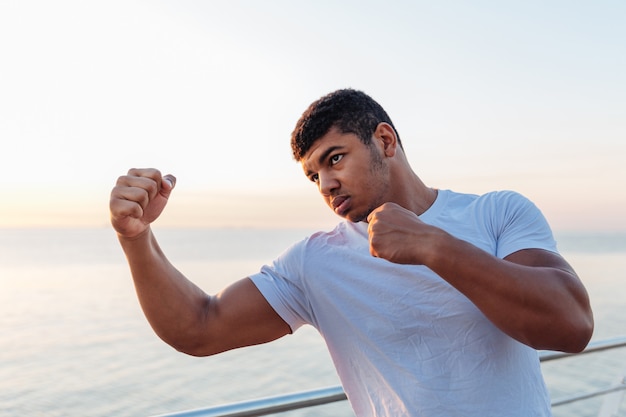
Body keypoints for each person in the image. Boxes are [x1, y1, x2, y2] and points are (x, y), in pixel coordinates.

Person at [110, 89, 594, 417]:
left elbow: (571, 325)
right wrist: (136, 238)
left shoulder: (496, 214)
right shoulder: (315, 263)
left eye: (335, 158)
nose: (326, 183)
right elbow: (198, 327)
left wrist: (433, 246)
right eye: (313, 175)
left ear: (384, 141)